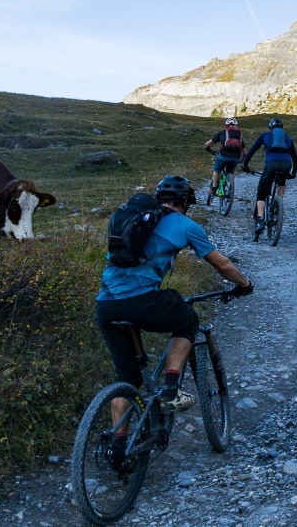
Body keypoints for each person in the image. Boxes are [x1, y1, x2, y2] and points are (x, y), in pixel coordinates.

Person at [94, 175, 252, 432]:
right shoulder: (185, 224)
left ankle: (118, 444)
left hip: (106, 305)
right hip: (141, 301)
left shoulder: (135, 221)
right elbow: (222, 265)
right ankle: (170, 391)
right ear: (187, 201)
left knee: (127, 377)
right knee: (187, 320)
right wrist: (244, 285)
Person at [240, 117, 297, 236]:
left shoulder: (265, 136)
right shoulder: (287, 138)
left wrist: (245, 165)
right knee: (281, 182)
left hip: (271, 164)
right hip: (287, 165)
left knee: (261, 193)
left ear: (270, 128)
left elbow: (251, 152)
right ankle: (278, 203)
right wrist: (293, 173)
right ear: (281, 128)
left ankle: (260, 219)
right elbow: (295, 159)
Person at [203, 117, 244, 202]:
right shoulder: (239, 136)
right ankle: (231, 190)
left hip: (223, 155)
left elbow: (208, 143)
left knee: (217, 169)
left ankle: (213, 188)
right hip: (236, 157)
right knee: (231, 171)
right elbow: (245, 151)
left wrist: (207, 148)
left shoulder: (222, 133)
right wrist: (242, 160)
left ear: (226, 126)